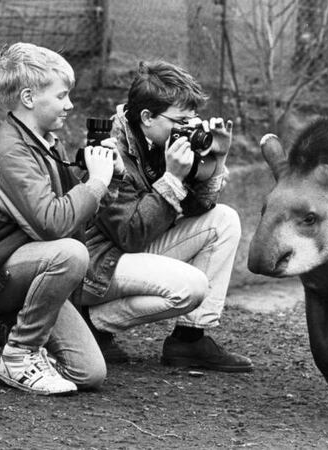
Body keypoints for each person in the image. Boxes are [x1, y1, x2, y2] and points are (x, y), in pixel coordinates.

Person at [0, 42, 120, 395]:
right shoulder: (11, 150)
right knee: (70, 254)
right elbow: (54, 224)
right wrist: (97, 182)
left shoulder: (47, 142)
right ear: (28, 97)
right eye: (62, 96)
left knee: (89, 373)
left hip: (26, 265)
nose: (70, 104)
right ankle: (19, 355)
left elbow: (76, 218)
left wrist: (106, 178)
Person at [78, 60, 252, 372]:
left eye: (194, 119)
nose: (191, 128)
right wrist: (171, 178)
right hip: (97, 267)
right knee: (191, 287)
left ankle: (189, 339)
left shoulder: (161, 141)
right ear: (147, 117)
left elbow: (199, 210)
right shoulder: (109, 150)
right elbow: (130, 234)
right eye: (182, 120)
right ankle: (91, 324)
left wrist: (215, 157)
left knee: (223, 221)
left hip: (129, 253)